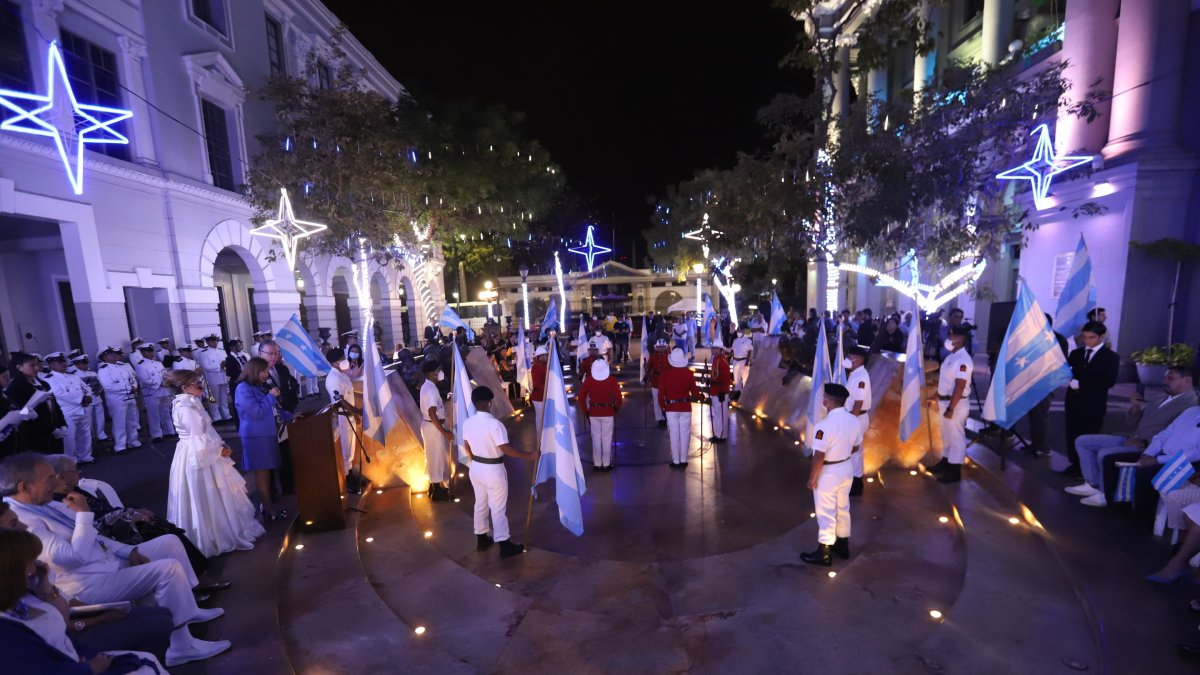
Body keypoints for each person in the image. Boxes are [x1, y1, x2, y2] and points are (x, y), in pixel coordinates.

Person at [1, 453, 230, 666]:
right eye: (49, 478)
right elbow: (72, 558)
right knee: (167, 570)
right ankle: (182, 645)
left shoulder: (47, 504)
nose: (56, 482)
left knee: (168, 543)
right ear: (24, 487)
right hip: (86, 583)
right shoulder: (22, 521)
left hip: (105, 563)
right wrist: (83, 516)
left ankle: (187, 607)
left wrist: (127, 551)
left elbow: (96, 537)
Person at [0, 528, 171, 674]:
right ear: (10, 568)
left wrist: (44, 587)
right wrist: (88, 668)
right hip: (71, 660)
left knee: (162, 618)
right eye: (28, 562)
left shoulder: (25, 593)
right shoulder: (6, 629)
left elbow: (62, 619)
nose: (33, 567)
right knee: (153, 640)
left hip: (73, 653)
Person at [1065, 366, 1197, 506]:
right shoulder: (1160, 398)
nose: (1164, 381)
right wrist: (1135, 407)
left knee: (1105, 454)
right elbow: (1135, 424)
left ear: (1186, 380)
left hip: (1148, 447)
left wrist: (1145, 444)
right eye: (1164, 377)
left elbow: (1175, 435)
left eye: (1170, 378)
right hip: (1131, 437)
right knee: (1083, 441)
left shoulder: (1190, 405)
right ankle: (1093, 484)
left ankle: (1105, 493)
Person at [168, 369, 265, 555]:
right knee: (207, 494)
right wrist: (219, 450)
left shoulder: (193, 403)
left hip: (207, 449)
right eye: (196, 383)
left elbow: (207, 431)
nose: (201, 386)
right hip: (198, 455)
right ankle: (214, 536)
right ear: (184, 387)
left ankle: (227, 529)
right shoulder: (184, 407)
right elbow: (198, 439)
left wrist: (221, 443)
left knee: (220, 493)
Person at [462, 386, 537, 558]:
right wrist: (530, 456)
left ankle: (481, 539)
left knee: (480, 503)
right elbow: (505, 448)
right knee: (497, 507)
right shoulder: (495, 424)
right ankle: (504, 543)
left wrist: (477, 461)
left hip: (476, 467)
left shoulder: (468, 422)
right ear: (490, 403)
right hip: (493, 469)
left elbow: (467, 447)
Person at [801, 383, 862, 567]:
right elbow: (857, 446)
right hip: (845, 468)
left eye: (824, 397)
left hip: (828, 472)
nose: (823, 400)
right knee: (843, 507)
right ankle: (842, 545)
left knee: (826, 510)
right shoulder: (854, 420)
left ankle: (824, 552)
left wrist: (812, 479)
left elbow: (819, 456)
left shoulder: (824, 425)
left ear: (828, 401)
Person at [234, 357, 293, 521]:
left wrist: (290, 416)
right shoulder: (243, 388)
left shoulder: (258, 387)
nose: (267, 374)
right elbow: (255, 413)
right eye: (264, 371)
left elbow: (272, 410)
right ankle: (268, 508)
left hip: (267, 434)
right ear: (254, 371)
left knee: (267, 473)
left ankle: (269, 506)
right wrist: (271, 396)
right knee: (262, 474)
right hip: (256, 436)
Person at [1061, 321, 1120, 478]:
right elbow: (1068, 372)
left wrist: (1081, 384)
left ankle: (1086, 469)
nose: (1088, 341)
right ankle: (1074, 464)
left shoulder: (1110, 357)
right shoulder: (1077, 354)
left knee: (1088, 434)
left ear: (1101, 337)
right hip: (1073, 401)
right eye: (1085, 337)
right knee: (1072, 433)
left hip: (1093, 403)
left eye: (1092, 337)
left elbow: (1108, 381)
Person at [927, 325, 973, 483]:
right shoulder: (950, 357)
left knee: (956, 437)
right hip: (946, 401)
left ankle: (954, 471)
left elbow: (960, 385)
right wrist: (936, 396)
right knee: (946, 435)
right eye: (949, 336)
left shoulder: (963, 360)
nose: (950, 339)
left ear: (962, 339)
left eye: (953, 336)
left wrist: (951, 408)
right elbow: (946, 383)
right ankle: (946, 462)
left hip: (956, 404)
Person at [255, 340, 301, 493]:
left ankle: (289, 487)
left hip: (285, 417)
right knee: (271, 461)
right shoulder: (254, 376)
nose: (273, 357)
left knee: (286, 454)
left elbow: (291, 389)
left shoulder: (281, 369)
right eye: (270, 354)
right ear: (260, 354)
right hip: (266, 423)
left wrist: (290, 410)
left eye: (276, 353)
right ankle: (272, 494)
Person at [7, 352, 68, 453]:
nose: (37, 368)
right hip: (34, 436)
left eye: (37, 364)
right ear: (19, 367)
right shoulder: (15, 388)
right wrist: (50, 429)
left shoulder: (43, 383)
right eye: (32, 365)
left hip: (55, 434)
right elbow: (20, 414)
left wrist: (62, 423)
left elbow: (54, 406)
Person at [43, 353, 94, 464]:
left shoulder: (73, 376)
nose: (63, 363)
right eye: (59, 361)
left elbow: (86, 387)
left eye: (64, 361)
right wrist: (82, 398)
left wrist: (89, 395)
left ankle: (86, 456)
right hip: (67, 411)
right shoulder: (49, 379)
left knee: (85, 434)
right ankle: (71, 462)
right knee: (69, 438)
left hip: (82, 408)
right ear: (50, 364)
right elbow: (59, 393)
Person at [659, 348, 700, 468]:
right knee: (685, 433)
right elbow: (694, 392)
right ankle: (683, 460)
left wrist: (663, 408)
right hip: (685, 407)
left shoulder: (665, 375)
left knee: (674, 434)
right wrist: (700, 397)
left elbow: (660, 395)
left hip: (671, 407)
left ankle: (676, 460)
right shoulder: (689, 374)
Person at [577, 359, 622, 470]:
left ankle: (597, 463)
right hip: (607, 412)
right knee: (606, 438)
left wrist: (585, 411)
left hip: (593, 412)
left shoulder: (588, 381)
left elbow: (581, 398)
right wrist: (615, 409)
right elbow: (619, 398)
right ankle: (606, 463)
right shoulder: (611, 380)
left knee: (596, 438)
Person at [419, 360, 453, 501]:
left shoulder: (428, 386)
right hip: (433, 427)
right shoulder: (431, 389)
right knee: (436, 457)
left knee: (432, 456)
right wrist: (444, 432)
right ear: (431, 374)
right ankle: (437, 491)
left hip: (430, 426)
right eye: (438, 370)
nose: (440, 373)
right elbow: (432, 412)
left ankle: (433, 487)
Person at [323, 348, 359, 475]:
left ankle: (349, 474)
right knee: (345, 449)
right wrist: (358, 411)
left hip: (349, 416)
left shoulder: (342, 374)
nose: (345, 360)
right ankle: (346, 478)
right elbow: (340, 401)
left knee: (350, 447)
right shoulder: (333, 378)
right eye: (341, 359)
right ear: (334, 363)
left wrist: (355, 414)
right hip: (342, 417)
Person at [843, 346, 872, 495]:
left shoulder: (861, 376)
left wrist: (852, 423)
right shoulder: (854, 374)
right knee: (852, 450)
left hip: (857, 417)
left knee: (855, 451)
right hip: (854, 416)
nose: (848, 359)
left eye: (852, 357)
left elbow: (858, 402)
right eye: (848, 356)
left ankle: (857, 482)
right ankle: (852, 480)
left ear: (860, 360)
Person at [132, 345, 174, 442]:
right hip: (151, 392)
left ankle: (169, 431)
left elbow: (165, 374)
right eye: (148, 351)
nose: (151, 353)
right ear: (142, 353)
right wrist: (161, 383)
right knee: (154, 414)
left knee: (165, 412)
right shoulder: (140, 365)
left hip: (164, 391)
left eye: (151, 351)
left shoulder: (158, 363)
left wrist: (167, 381)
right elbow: (145, 379)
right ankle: (156, 434)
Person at [70, 354, 109, 448]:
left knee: (100, 418)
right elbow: (78, 389)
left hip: (97, 397)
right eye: (83, 363)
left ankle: (101, 435)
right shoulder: (74, 374)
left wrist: (99, 390)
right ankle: (91, 437)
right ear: (77, 364)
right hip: (87, 400)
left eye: (86, 362)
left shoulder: (92, 372)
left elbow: (99, 383)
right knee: (89, 420)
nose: (86, 365)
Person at [196, 334, 231, 423]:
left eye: (215, 340)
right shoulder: (204, 353)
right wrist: (220, 366)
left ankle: (226, 415)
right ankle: (216, 417)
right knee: (214, 399)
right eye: (212, 341)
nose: (214, 342)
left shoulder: (222, 351)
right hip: (212, 378)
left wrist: (226, 366)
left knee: (224, 398)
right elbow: (206, 366)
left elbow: (227, 363)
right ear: (207, 342)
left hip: (223, 377)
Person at [708, 340, 732, 442]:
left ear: (719, 349)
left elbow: (726, 378)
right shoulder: (716, 359)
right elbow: (716, 374)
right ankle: (718, 434)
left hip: (720, 391)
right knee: (717, 414)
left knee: (721, 414)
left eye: (714, 348)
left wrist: (723, 391)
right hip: (715, 390)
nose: (712, 349)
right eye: (712, 347)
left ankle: (722, 436)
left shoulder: (722, 360)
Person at [645, 339, 670, 428]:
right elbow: (649, 368)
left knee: (666, 400)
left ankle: (667, 416)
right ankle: (659, 419)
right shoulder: (653, 356)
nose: (661, 348)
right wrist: (646, 377)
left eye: (663, 347)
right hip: (656, 381)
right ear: (656, 347)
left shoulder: (669, 356)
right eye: (659, 347)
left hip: (666, 381)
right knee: (656, 400)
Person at [730, 327, 754, 400]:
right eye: (737, 331)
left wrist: (747, 362)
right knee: (737, 379)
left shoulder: (747, 341)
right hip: (735, 362)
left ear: (743, 331)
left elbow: (750, 351)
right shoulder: (735, 341)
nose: (738, 332)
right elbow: (733, 350)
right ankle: (737, 393)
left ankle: (745, 394)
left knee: (745, 379)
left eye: (740, 331)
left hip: (743, 361)